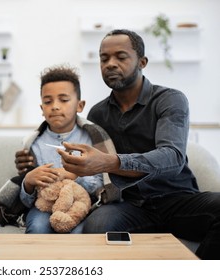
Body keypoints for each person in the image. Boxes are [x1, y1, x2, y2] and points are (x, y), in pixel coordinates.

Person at [16, 29, 220, 259]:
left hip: (177, 199)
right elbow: (65, 137)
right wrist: (28, 159)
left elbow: (172, 156)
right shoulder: (98, 114)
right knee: (96, 226)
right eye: (104, 58)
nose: (110, 64)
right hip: (128, 205)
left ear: (142, 62)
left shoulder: (169, 99)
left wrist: (110, 162)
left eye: (120, 57)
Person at [19, 65, 115, 233]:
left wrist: (74, 176)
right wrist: (28, 181)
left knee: (79, 234)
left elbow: (101, 185)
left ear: (80, 105)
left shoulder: (92, 138)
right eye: (48, 101)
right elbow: (28, 201)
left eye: (63, 100)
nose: (55, 106)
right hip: (45, 207)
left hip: (81, 204)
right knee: (38, 226)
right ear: (42, 108)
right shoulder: (33, 144)